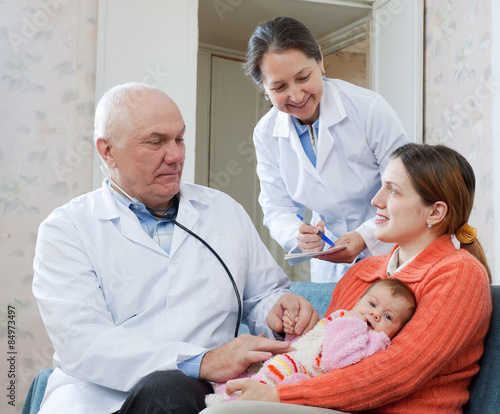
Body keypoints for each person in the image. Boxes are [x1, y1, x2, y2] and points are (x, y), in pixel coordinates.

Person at [32, 82, 320, 414]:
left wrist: (279, 311)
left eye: (179, 139)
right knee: (164, 388)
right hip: (93, 397)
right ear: (107, 150)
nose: (176, 155)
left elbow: (261, 295)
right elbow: (81, 341)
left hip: (193, 394)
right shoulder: (66, 229)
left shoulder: (223, 211)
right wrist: (205, 360)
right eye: (156, 142)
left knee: (168, 392)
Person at [200, 143, 492, 414]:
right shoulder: (364, 271)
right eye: (381, 187)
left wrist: (280, 397)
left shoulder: (460, 274)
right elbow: (320, 351)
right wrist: (289, 335)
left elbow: (398, 371)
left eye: (393, 191)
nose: (376, 201)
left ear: (435, 212)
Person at [243, 16, 409, 282]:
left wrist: (364, 236)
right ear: (263, 87)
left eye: (303, 77)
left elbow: (406, 186)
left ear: (319, 60)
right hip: (329, 262)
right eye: (279, 87)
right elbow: (277, 207)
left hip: (388, 246)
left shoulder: (368, 109)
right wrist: (297, 233)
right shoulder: (266, 133)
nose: (296, 96)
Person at [206, 278, 416, 406]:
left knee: (269, 382)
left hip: (304, 378)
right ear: (359, 301)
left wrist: (354, 322)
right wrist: (291, 332)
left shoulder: (375, 341)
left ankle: (231, 401)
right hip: (290, 358)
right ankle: (225, 393)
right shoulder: (339, 317)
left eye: (388, 317)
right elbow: (310, 340)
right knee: (251, 363)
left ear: (397, 331)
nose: (375, 314)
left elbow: (335, 359)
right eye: (372, 304)